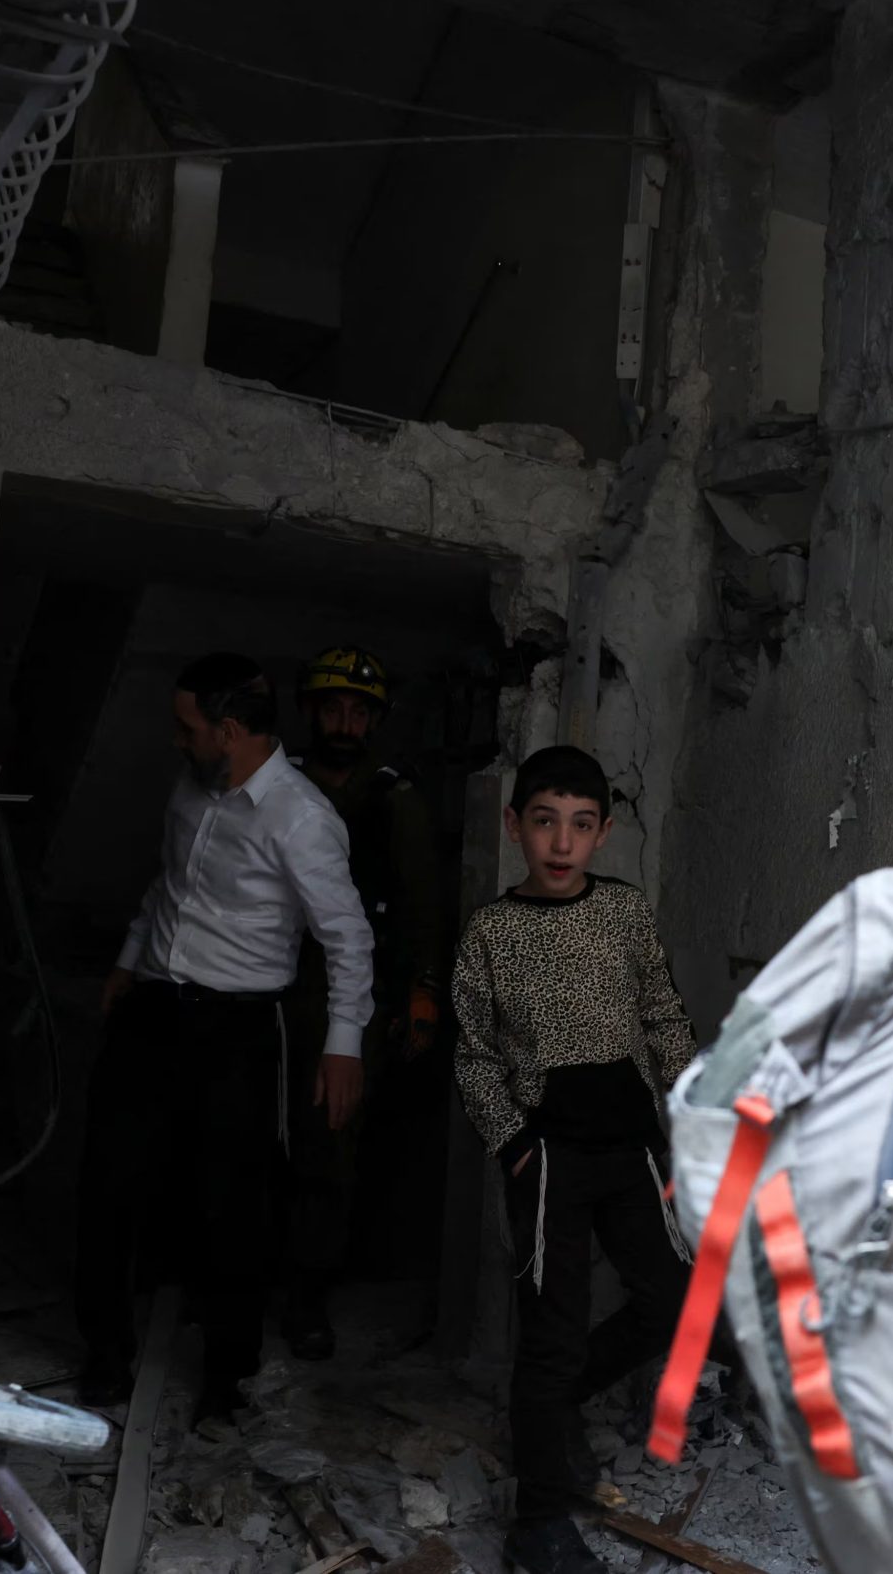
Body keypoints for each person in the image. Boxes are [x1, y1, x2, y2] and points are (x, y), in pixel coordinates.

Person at [76, 653, 376, 1423]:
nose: (178, 742)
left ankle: (225, 1378)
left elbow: (346, 936)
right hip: (152, 1009)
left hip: (238, 1030)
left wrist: (344, 1043)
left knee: (231, 1206)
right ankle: (104, 1358)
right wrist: (126, 959)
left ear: (231, 732)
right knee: (111, 1182)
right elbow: (168, 881)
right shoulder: (194, 788)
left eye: (190, 729)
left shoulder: (303, 820)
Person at [452, 746, 697, 1574]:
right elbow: (475, 1054)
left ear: (604, 833)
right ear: (515, 825)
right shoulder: (492, 931)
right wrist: (513, 1144)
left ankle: (548, 1416)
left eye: (581, 826)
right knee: (551, 1334)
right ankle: (540, 1522)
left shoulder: (623, 913)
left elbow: (663, 1014)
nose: (562, 843)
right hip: (548, 1155)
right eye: (546, 822)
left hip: (629, 1147)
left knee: (672, 1299)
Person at [278, 645, 449, 1359]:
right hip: (270, 985)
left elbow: (422, 906)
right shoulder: (276, 787)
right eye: (333, 708)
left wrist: (424, 994)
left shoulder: (391, 800)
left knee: (332, 1147)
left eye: (359, 711)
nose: (345, 723)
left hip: (352, 997)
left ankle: (310, 1295)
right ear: (311, 712)